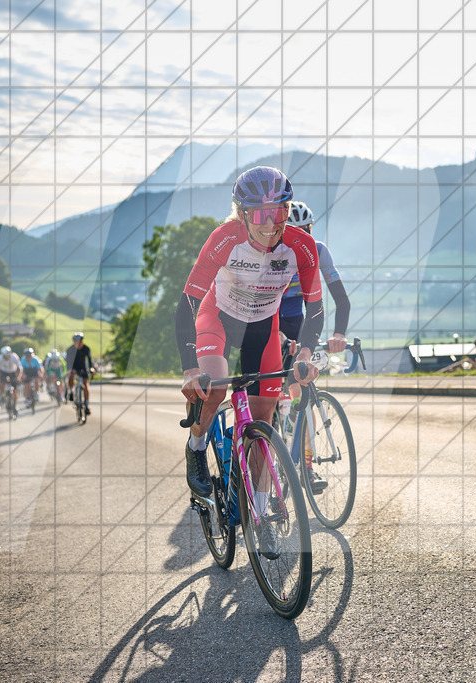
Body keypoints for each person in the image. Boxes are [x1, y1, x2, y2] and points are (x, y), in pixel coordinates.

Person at [176, 166, 322, 553]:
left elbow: (315, 309)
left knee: (262, 422)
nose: (272, 223)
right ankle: (196, 448)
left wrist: (305, 353)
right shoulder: (225, 239)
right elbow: (188, 303)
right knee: (214, 386)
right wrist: (190, 368)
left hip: (262, 327)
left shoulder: (301, 245)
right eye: (261, 214)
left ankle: (260, 512)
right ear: (242, 214)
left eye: (281, 211)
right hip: (218, 319)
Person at [277, 200, 352, 492]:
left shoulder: (318, 251)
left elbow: (341, 300)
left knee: (302, 391)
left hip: (300, 321)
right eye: (295, 232)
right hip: (271, 319)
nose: (302, 238)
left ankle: (305, 467)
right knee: (272, 394)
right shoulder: (274, 255)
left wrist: (339, 334)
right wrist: (279, 338)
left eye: (306, 231)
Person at [65, 333, 96, 415]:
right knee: (71, 376)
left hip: (83, 367)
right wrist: (69, 370)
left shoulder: (86, 348)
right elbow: (68, 361)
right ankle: (71, 392)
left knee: (85, 384)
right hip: (73, 367)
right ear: (74, 342)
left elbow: (89, 360)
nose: (79, 343)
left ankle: (87, 405)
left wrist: (91, 369)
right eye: (77, 341)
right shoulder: (70, 350)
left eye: (80, 341)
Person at [0, 345, 22, 410]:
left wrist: (18, 377)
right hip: (3, 372)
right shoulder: (0, 358)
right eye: (4, 356)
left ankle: (15, 405)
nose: (6, 358)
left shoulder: (14, 357)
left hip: (13, 372)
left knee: (15, 390)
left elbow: (19, 368)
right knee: (2, 385)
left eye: (7, 356)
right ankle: (3, 397)